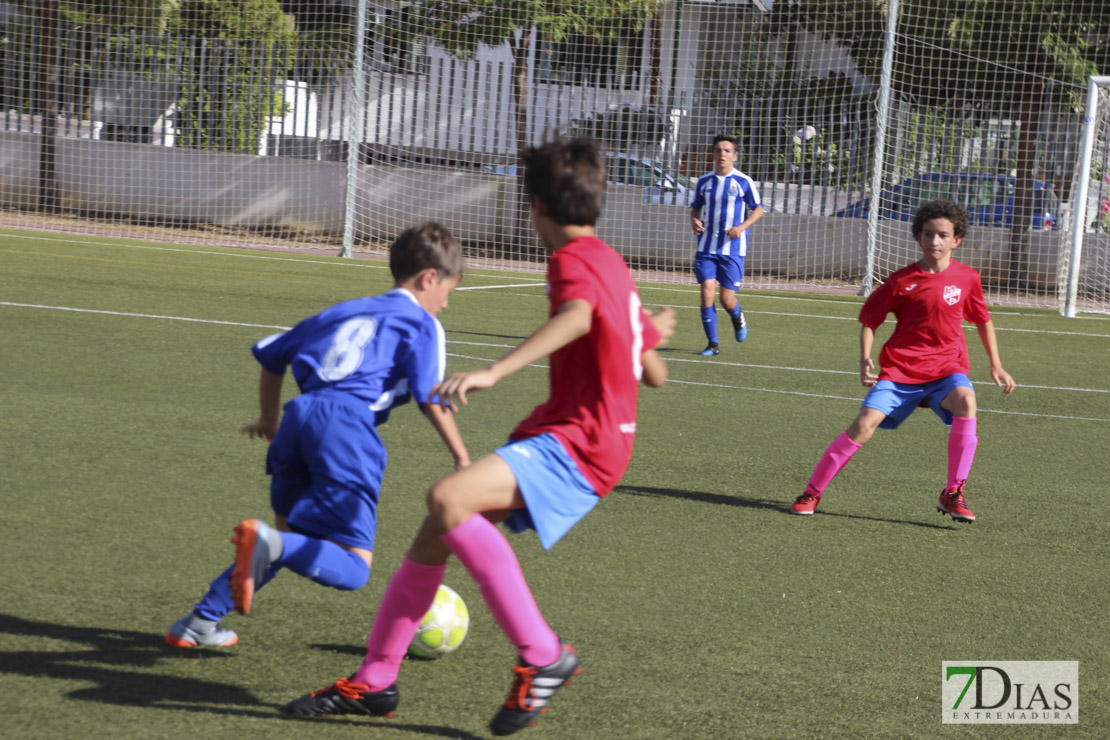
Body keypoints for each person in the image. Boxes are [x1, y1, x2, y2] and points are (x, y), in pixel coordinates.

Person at [281, 137, 676, 736]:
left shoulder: (571, 262)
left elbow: (579, 317)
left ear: (535, 206)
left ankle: (543, 655)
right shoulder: (612, 263)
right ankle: (375, 679)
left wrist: (494, 370)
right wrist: (646, 338)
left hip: (581, 441)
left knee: (447, 498)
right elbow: (654, 375)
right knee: (434, 534)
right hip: (590, 436)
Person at [164, 222, 470, 648]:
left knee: (289, 540)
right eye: (448, 294)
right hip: (346, 428)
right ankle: (256, 561)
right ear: (429, 278)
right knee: (353, 567)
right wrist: (462, 459)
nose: (446, 306)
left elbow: (272, 356)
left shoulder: (342, 310)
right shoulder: (421, 322)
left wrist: (268, 418)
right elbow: (429, 396)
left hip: (298, 418)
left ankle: (199, 622)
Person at [790, 200, 1016, 521]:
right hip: (900, 371)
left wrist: (996, 364)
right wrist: (865, 357)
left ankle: (953, 492)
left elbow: (982, 320)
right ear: (918, 237)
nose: (934, 241)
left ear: (957, 239)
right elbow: (870, 319)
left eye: (942, 235)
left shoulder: (967, 278)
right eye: (928, 234)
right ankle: (811, 491)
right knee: (863, 425)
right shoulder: (900, 281)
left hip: (946, 370)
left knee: (967, 399)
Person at [689, 134, 764, 356]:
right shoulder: (704, 182)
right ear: (712, 154)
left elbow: (758, 210)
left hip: (732, 250)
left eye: (727, 151)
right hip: (706, 248)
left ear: (734, 156)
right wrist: (694, 219)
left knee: (726, 298)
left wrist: (740, 228)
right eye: (718, 150)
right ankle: (712, 344)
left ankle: (737, 316)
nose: (722, 154)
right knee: (706, 293)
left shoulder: (743, 181)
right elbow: (695, 208)